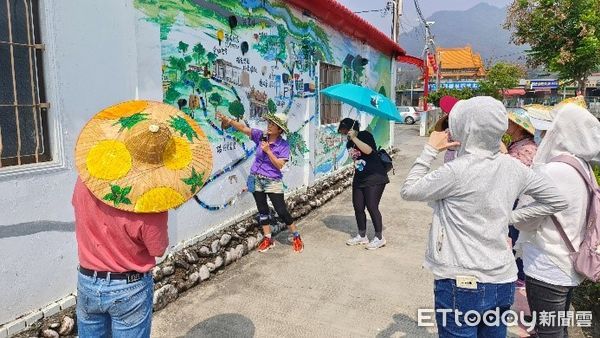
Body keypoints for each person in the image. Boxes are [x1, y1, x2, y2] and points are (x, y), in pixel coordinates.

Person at [400, 96, 568, 337]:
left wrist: (429, 150)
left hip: (461, 280)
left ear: (464, 128)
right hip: (502, 279)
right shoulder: (513, 166)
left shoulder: (457, 170)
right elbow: (557, 200)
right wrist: (508, 217)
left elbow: (409, 190)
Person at [72, 100, 214, 337]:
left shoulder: (86, 182)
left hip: (87, 281)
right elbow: (157, 248)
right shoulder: (150, 204)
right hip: (128, 288)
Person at [514, 102, 600, 338]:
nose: (543, 134)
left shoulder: (552, 171)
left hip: (547, 264)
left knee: (547, 331)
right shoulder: (581, 166)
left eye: (549, 127)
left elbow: (526, 221)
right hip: (569, 260)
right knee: (557, 327)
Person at [216, 111, 304, 253]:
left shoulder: (283, 145)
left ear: (280, 129)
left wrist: (268, 151)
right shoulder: (261, 136)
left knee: (281, 211)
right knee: (262, 210)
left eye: (273, 124)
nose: (269, 126)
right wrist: (228, 120)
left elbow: (280, 165)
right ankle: (268, 239)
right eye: (269, 123)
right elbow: (244, 129)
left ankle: (296, 235)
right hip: (256, 178)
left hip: (272, 181)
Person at [337, 118, 389, 250]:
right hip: (360, 177)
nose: (343, 134)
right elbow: (357, 159)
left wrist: (355, 138)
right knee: (358, 207)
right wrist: (351, 141)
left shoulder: (365, 135)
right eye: (342, 132)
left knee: (372, 206)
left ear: (351, 129)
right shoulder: (349, 144)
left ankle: (379, 238)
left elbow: (368, 151)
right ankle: (362, 235)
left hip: (375, 176)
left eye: (345, 131)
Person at [505, 108, 539, 287]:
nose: (507, 125)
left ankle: (519, 278)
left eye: (510, 122)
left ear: (519, 126)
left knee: (516, 236)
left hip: (520, 200)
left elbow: (520, 174)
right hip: (510, 197)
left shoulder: (528, 147)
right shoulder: (516, 143)